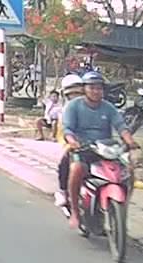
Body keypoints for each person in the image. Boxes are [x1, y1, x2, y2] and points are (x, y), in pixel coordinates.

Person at [62, 71, 138, 229]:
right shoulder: (73, 106)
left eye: (99, 88)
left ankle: (122, 210)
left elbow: (121, 127)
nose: (96, 91)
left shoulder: (108, 108)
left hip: (105, 150)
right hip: (83, 149)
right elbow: (67, 129)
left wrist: (130, 141)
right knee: (76, 169)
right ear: (84, 89)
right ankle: (75, 211)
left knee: (128, 171)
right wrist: (73, 142)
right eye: (92, 88)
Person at [53, 74, 85, 208]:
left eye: (78, 92)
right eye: (72, 93)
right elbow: (64, 131)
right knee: (65, 162)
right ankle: (63, 191)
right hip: (71, 144)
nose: (75, 95)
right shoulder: (64, 111)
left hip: (92, 143)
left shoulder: (91, 106)